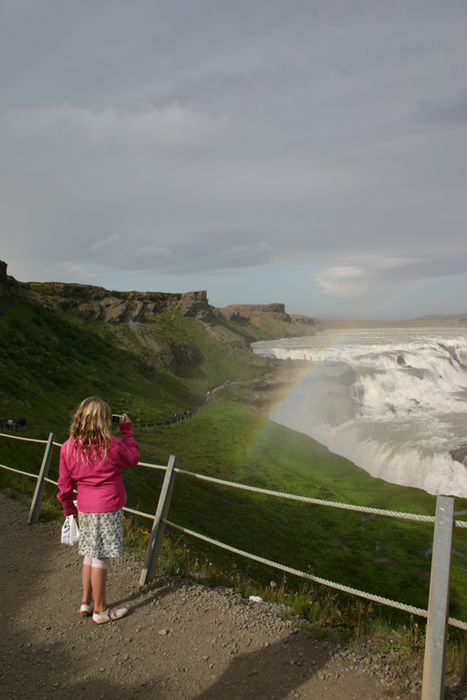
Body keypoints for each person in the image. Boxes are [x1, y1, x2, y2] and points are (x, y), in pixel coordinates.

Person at [57, 396, 140, 624]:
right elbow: (133, 459)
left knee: (90, 553)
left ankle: (86, 601)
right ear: (105, 421)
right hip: (108, 506)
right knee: (100, 557)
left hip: (84, 507)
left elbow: (64, 486)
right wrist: (128, 432)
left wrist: (68, 510)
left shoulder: (67, 447)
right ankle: (101, 610)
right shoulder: (111, 445)